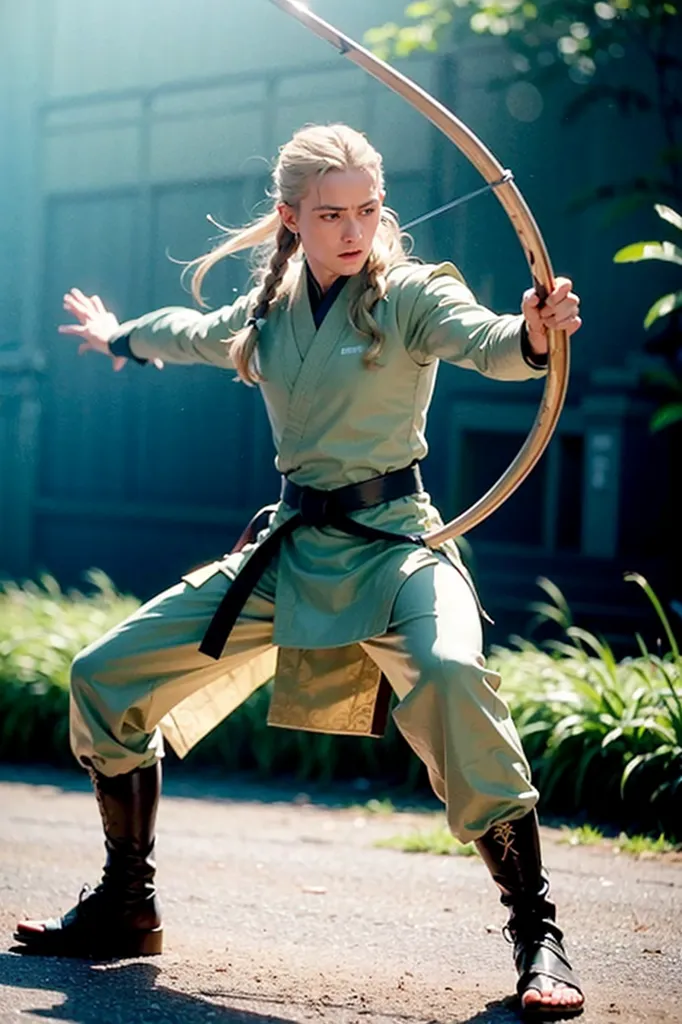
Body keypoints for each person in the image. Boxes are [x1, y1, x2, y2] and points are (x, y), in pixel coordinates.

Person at [14, 123, 583, 1018]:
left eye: (367, 210)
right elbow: (191, 333)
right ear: (290, 218)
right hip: (288, 553)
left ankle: (537, 934)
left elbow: (487, 340)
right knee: (103, 677)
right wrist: (119, 336)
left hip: (398, 549)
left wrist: (536, 332)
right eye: (331, 214)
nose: (354, 229)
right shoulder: (269, 313)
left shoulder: (410, 296)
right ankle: (128, 902)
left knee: (448, 674)